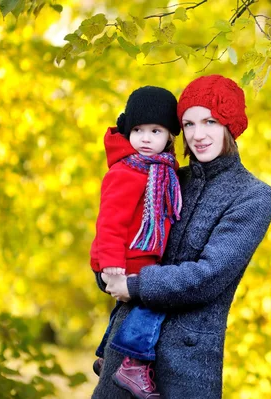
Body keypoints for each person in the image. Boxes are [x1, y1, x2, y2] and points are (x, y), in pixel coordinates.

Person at [93, 74, 271, 399]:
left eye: (209, 121)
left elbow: (208, 277)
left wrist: (134, 285)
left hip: (186, 361)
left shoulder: (253, 196)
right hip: (125, 351)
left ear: (229, 126)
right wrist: (107, 272)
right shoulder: (166, 176)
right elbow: (120, 232)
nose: (198, 135)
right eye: (189, 124)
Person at [90, 86, 182, 398]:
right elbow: (110, 222)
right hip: (118, 261)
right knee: (155, 301)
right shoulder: (126, 172)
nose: (145, 138)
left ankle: (106, 355)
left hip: (138, 260)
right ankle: (134, 364)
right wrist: (113, 268)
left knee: (130, 307)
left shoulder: (163, 171)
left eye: (155, 131)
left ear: (170, 135)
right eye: (138, 130)